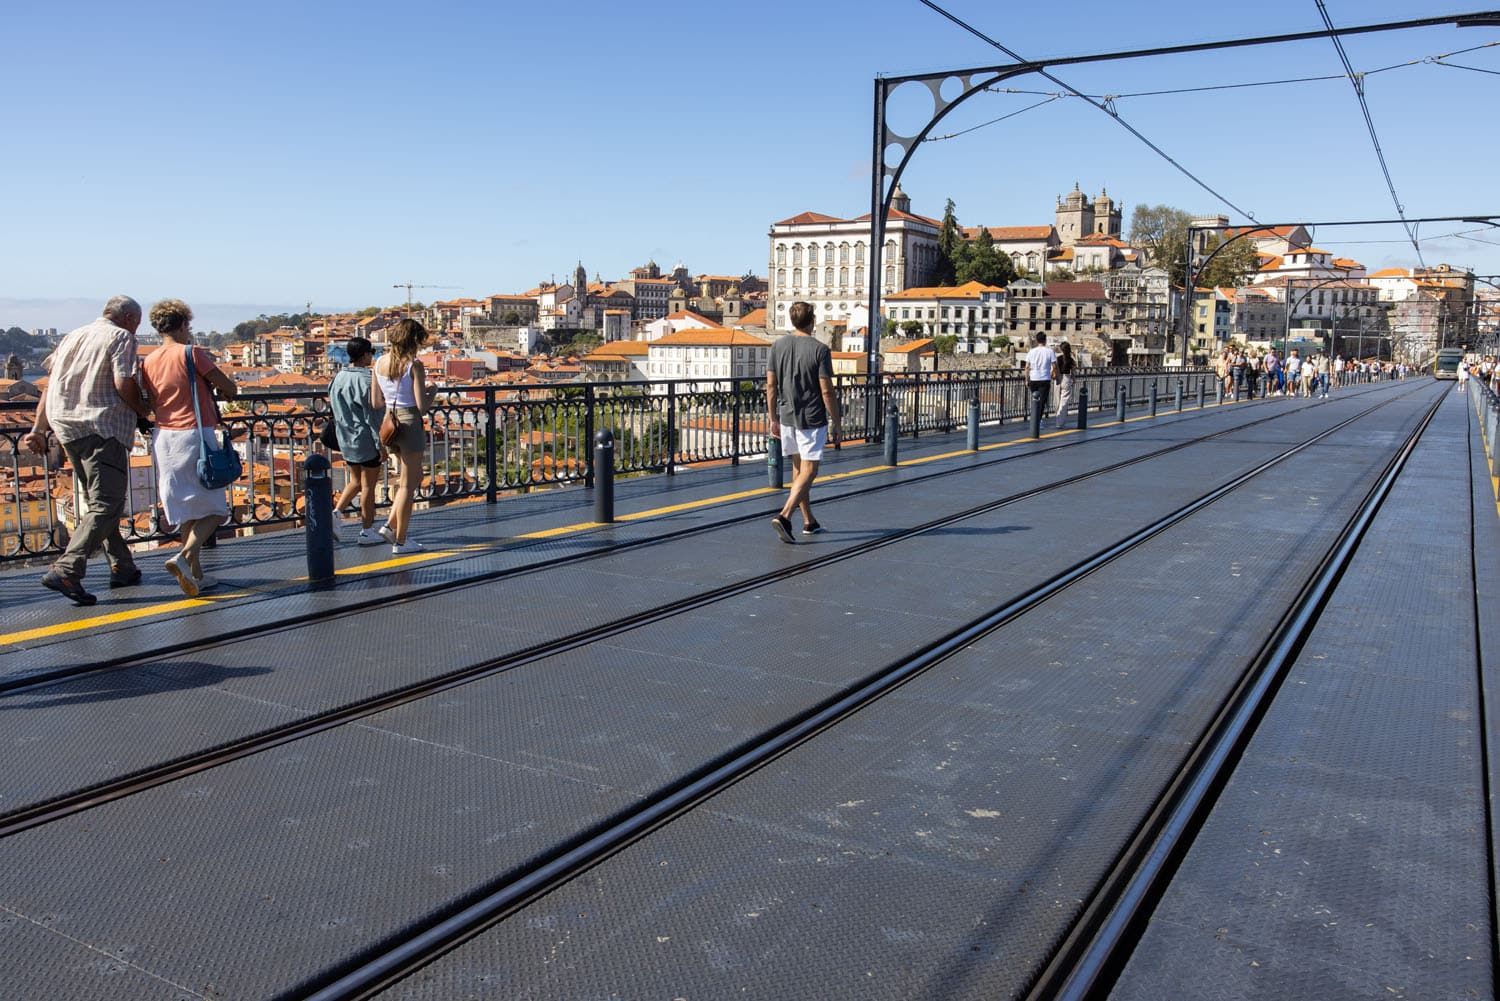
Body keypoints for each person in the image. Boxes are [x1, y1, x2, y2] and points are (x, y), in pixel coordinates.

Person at [23, 296, 150, 605]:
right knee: (107, 504)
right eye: (138, 322)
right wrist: (144, 412)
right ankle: (67, 569)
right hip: (100, 428)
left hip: (66, 427)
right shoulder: (120, 337)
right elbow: (124, 382)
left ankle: (123, 566)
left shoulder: (73, 335)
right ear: (131, 319)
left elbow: (50, 387)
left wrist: (39, 428)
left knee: (98, 502)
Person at [139, 299, 239, 596]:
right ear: (183, 324)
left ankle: (195, 575)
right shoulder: (191, 353)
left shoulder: (149, 360)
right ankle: (183, 556)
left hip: (164, 437)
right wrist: (220, 388)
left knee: (185, 509)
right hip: (195, 434)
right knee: (215, 509)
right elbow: (229, 387)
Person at [766, 300, 839, 543]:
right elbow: (827, 391)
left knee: (798, 471)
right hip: (812, 418)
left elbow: (770, 386)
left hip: (786, 416)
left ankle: (809, 521)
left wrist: (772, 417)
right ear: (812, 321)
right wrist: (837, 421)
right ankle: (785, 516)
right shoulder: (820, 350)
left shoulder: (777, 346)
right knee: (810, 470)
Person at [370, 318, 430, 553]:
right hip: (409, 422)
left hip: (389, 422)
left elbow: (375, 401)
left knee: (414, 478)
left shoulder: (378, 363)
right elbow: (422, 406)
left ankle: (389, 525)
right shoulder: (413, 365)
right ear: (413, 341)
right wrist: (432, 392)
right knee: (407, 485)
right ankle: (401, 541)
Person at [329, 336, 386, 545]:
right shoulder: (367, 380)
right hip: (365, 438)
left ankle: (335, 514)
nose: (372, 356)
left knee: (355, 481)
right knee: (369, 486)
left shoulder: (338, 377)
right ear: (364, 355)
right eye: (371, 352)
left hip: (345, 437)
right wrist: (381, 443)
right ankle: (366, 531)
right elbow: (373, 416)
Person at [1025, 332, 1056, 423]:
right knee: (1042, 401)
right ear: (1045, 340)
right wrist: (1054, 375)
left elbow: (1027, 367)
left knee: (1035, 399)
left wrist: (1026, 380)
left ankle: (1035, 419)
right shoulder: (1050, 351)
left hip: (1033, 379)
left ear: (1037, 340)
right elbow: (1054, 366)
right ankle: (1037, 420)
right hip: (1044, 379)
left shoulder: (1031, 351)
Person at [1053, 340, 1076, 429]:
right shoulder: (1071, 360)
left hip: (1058, 379)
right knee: (1064, 401)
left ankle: (1057, 416)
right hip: (1066, 379)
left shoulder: (1058, 358)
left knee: (1056, 400)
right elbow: (1073, 372)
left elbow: (1055, 368)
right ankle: (1059, 422)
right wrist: (1073, 380)